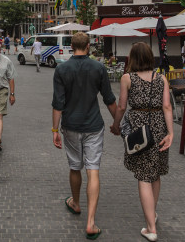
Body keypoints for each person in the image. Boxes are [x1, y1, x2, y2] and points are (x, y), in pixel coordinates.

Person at [52, 32, 117, 240]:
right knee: (93, 170)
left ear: (72, 46)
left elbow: (58, 104)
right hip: (93, 126)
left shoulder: (61, 69)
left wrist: (55, 130)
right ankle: (90, 222)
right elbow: (109, 99)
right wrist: (118, 123)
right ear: (88, 46)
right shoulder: (98, 68)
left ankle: (76, 203)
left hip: (70, 125)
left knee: (74, 166)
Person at [110, 42, 174, 242]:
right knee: (154, 173)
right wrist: (171, 133)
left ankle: (151, 228)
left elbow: (121, 106)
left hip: (139, 129)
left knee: (144, 176)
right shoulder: (162, 78)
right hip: (159, 127)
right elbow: (167, 106)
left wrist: (116, 125)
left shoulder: (128, 78)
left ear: (132, 58)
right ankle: (151, 214)